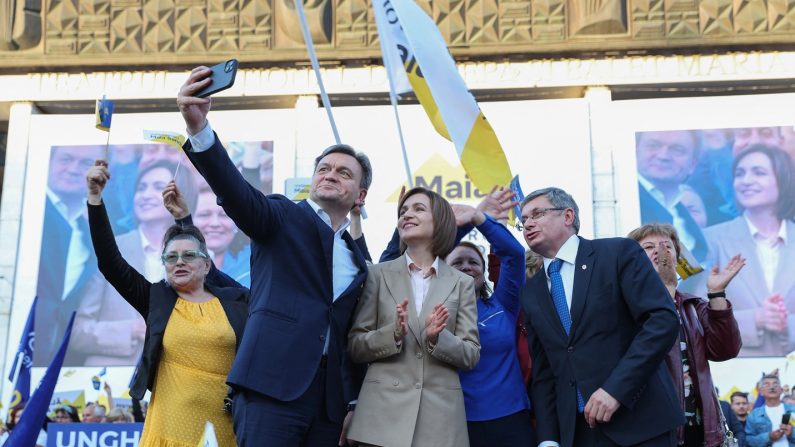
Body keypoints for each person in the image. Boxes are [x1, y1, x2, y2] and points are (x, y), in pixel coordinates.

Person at [177, 67, 371, 447]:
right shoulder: (282, 216)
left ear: (360, 196)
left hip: (329, 408)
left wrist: (352, 402)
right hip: (270, 389)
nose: (331, 174)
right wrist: (199, 129)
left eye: (344, 173)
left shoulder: (358, 258)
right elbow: (236, 193)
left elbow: (350, 335)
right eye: (324, 168)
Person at [85, 160, 248, 446]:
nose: (179, 262)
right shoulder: (156, 300)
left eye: (189, 256)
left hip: (225, 425)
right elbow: (110, 263)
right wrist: (95, 199)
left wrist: (184, 220)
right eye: (170, 257)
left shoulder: (235, 301)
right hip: (170, 426)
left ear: (207, 265)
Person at [519, 187, 682, 446]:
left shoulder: (617, 253)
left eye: (537, 214)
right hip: (579, 434)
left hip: (640, 423)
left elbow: (661, 321)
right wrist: (548, 439)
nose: (528, 223)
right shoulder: (532, 291)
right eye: (523, 219)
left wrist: (615, 390)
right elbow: (545, 371)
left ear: (568, 216)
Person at [347, 186, 480, 447]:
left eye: (418, 209)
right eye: (403, 211)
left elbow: (471, 354)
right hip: (380, 419)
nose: (406, 215)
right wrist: (392, 335)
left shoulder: (462, 283)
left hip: (440, 423)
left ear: (440, 220)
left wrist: (438, 338)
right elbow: (355, 346)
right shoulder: (377, 274)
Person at [628, 223, 743, 446]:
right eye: (649, 247)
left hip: (698, 429)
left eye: (667, 246)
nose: (660, 252)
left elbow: (725, 350)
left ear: (678, 259)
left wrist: (716, 293)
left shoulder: (692, 305)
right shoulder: (624, 304)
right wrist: (664, 290)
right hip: (651, 429)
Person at [72, 160, 197, 365]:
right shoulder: (113, 250)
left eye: (158, 187)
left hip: (174, 376)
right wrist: (130, 330)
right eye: (141, 188)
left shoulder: (198, 256)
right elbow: (77, 332)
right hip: (111, 381)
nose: (146, 195)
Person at [447, 192, 535, 447]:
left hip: (511, 420)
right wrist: (463, 225)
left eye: (473, 262)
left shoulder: (503, 304)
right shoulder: (432, 307)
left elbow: (514, 255)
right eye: (457, 262)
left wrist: (480, 219)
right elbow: (432, 253)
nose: (466, 267)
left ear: (484, 272)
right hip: (457, 421)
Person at [703, 145, 795, 356]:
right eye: (739, 174)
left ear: (784, 179)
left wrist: (786, 322)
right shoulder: (709, 240)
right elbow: (693, 312)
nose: (746, 181)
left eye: (759, 172)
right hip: (733, 370)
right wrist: (755, 318)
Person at [36, 145, 106, 366]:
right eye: (66, 159)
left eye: (85, 164)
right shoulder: (31, 214)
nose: (74, 169)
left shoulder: (88, 233)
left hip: (60, 360)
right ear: (50, 162)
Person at [636, 130, 709, 261]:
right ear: (635, 151)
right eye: (653, 145)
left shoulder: (682, 217)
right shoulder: (624, 202)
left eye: (677, 149)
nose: (663, 156)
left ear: (692, 164)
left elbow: (686, 274)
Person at [193, 187, 251, 287]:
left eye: (224, 215)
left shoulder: (253, 260)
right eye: (205, 215)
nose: (215, 223)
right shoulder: (173, 262)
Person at [745, 375, 795, 446]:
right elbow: (748, 441)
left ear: (781, 390)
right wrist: (769, 437)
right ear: (761, 391)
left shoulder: (793, 410)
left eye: (775, 384)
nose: (772, 387)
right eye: (767, 384)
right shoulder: (754, 415)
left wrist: (792, 433)